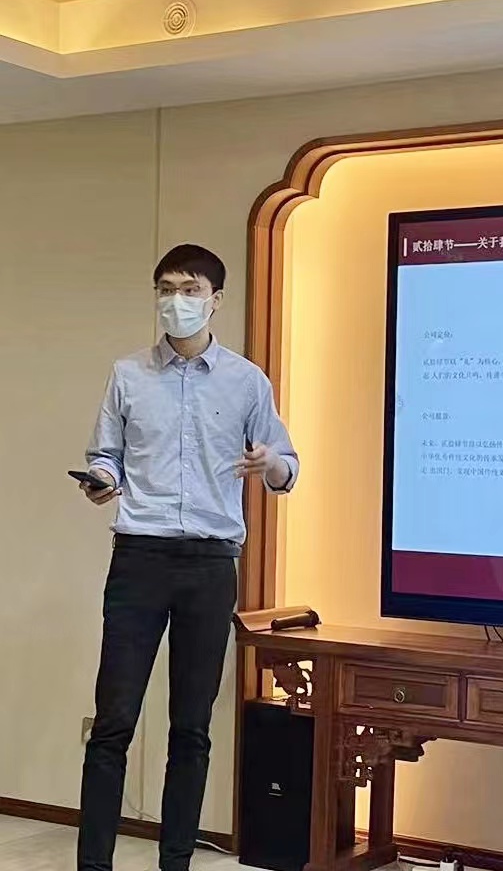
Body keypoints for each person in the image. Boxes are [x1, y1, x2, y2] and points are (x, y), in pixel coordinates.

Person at [77, 244, 299, 871]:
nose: (176, 300)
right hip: (138, 559)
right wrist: (101, 478)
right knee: (114, 720)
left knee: (191, 726)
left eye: (190, 288)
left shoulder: (246, 380)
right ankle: (93, 864)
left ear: (214, 299)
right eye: (166, 288)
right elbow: (106, 454)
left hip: (209, 564)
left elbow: (287, 468)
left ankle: (175, 862)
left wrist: (269, 462)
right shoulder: (127, 374)